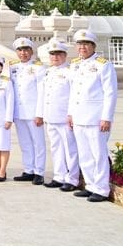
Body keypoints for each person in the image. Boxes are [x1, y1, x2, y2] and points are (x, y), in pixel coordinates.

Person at [68, 29, 117, 203]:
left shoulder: (103, 65)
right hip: (79, 117)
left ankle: (102, 189)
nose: (83, 47)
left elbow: (110, 93)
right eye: (80, 44)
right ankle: (90, 185)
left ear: (93, 46)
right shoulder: (75, 65)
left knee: (98, 153)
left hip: (96, 118)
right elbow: (74, 92)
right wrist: (70, 113)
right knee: (85, 154)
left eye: (86, 44)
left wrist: (107, 117)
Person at [36, 39, 80, 192]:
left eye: (58, 54)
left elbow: (75, 96)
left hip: (64, 117)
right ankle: (59, 176)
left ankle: (72, 178)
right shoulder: (48, 72)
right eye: (52, 54)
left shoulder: (70, 72)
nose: (55, 57)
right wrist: (41, 115)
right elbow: (44, 95)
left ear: (65, 55)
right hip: (51, 117)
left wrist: (72, 114)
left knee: (70, 149)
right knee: (56, 148)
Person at [8, 37, 47, 185]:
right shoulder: (13, 67)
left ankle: (39, 172)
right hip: (19, 112)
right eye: (20, 50)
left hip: (33, 112)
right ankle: (28, 169)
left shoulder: (38, 68)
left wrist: (39, 114)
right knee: (25, 143)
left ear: (31, 51)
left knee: (38, 143)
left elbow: (41, 92)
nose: (23, 53)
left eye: (26, 50)